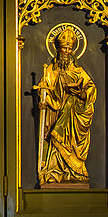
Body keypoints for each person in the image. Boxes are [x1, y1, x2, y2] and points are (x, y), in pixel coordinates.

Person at [35, 25, 95, 184]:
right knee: (55, 141)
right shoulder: (49, 70)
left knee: (66, 138)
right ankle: (54, 170)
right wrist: (43, 97)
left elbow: (90, 88)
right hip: (55, 113)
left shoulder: (79, 71)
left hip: (73, 116)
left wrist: (81, 94)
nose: (66, 52)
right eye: (64, 48)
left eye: (69, 49)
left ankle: (74, 172)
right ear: (58, 49)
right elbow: (44, 87)